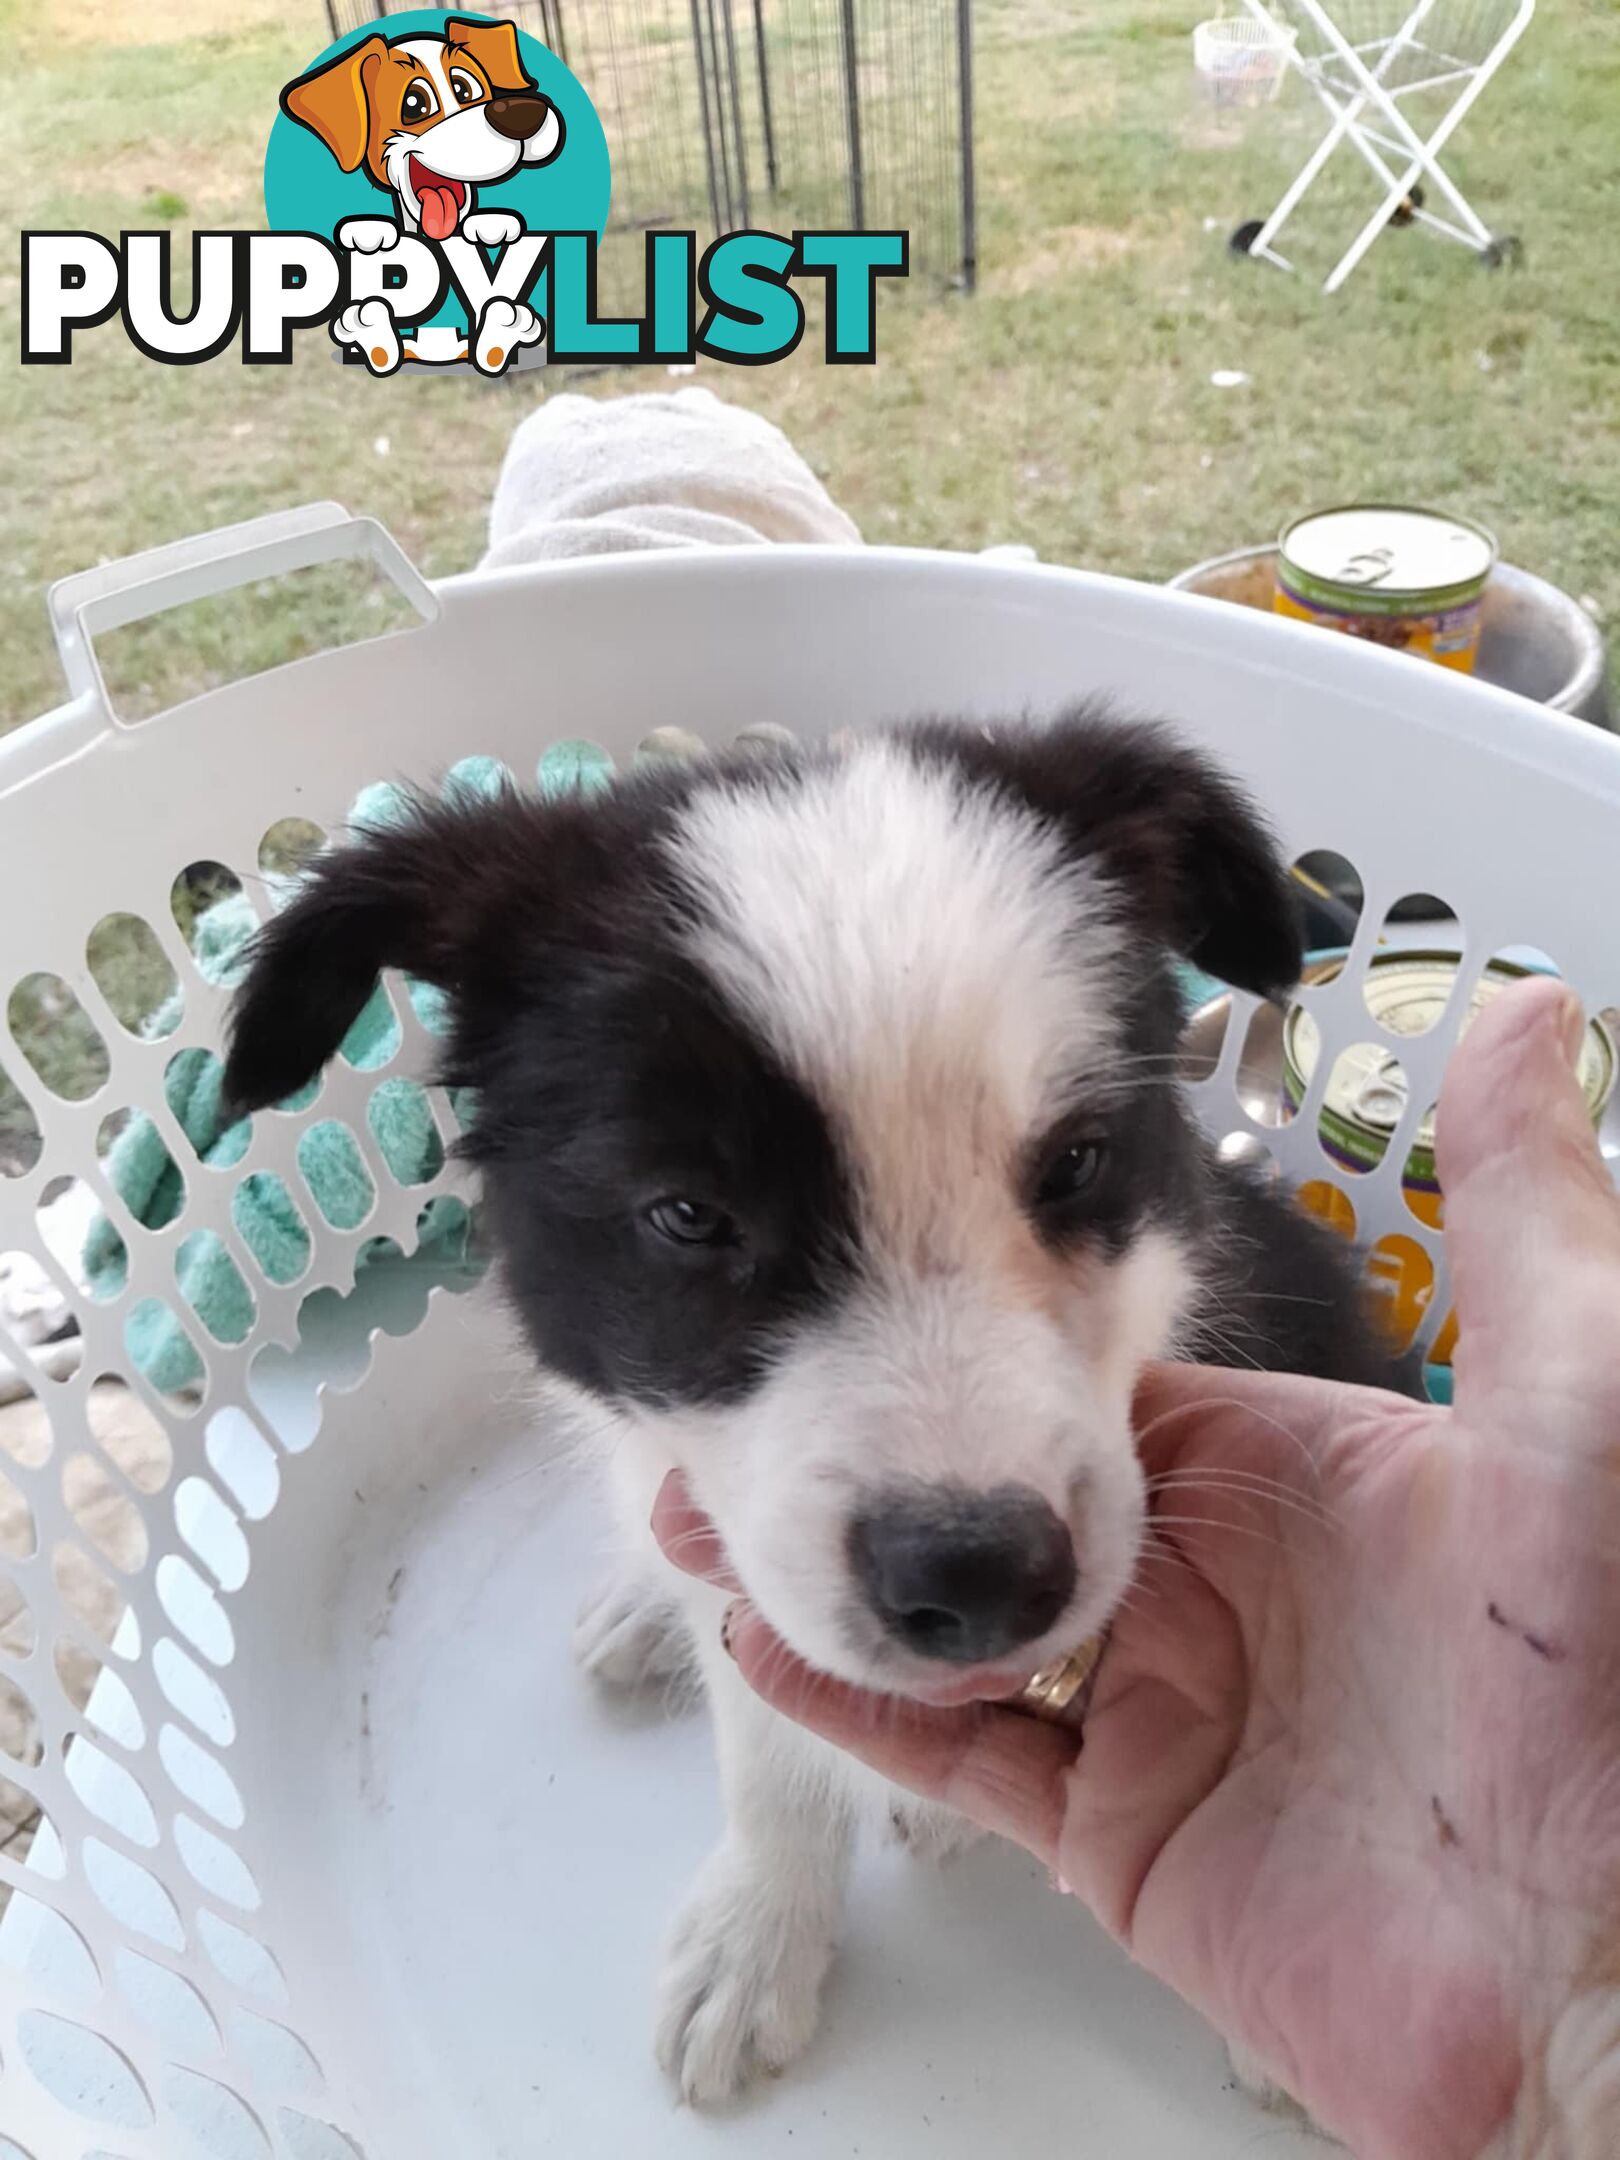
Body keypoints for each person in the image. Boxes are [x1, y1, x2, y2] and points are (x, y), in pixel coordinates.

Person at [653, 975, 1620, 2159]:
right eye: (694, 1218)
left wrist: (1564, 1990)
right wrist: (775, 1866)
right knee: (714, 1584)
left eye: (1063, 1171)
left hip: (1277, 1600)